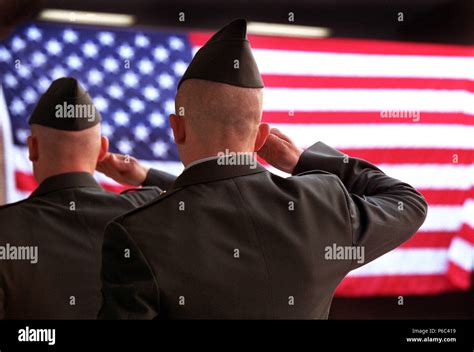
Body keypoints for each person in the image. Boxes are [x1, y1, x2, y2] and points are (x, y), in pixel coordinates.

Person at [99, 19, 428, 319]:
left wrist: (149, 180)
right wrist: (303, 160)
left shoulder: (136, 234)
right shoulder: (321, 205)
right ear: (260, 136)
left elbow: (205, 203)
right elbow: (408, 202)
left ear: (177, 128)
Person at [0, 77, 172, 319]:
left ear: (33, 147)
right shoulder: (148, 210)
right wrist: (146, 175)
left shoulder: (5, 229)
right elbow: (205, 198)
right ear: (102, 148)